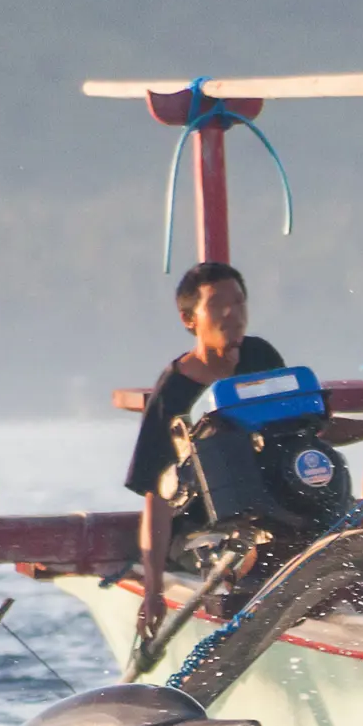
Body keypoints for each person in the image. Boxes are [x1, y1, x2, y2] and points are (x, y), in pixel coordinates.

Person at [124, 261, 285, 642]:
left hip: (266, 510)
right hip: (202, 529)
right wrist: (152, 591)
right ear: (189, 319)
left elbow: (298, 426)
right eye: (217, 305)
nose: (232, 314)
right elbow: (157, 499)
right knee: (238, 556)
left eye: (239, 302)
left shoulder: (261, 358)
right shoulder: (173, 393)